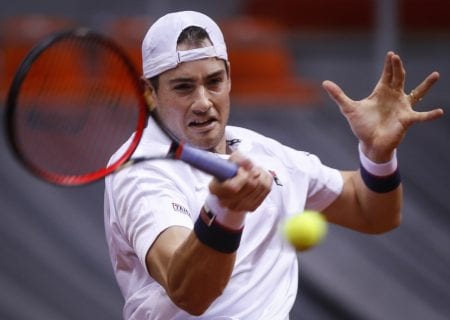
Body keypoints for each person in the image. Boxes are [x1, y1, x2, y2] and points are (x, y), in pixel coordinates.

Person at [104, 10, 444, 320]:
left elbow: (373, 212)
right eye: (183, 87)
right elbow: (189, 293)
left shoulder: (263, 150)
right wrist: (226, 212)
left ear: (229, 77)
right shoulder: (139, 169)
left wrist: (377, 155)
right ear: (150, 93)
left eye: (213, 82)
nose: (203, 102)